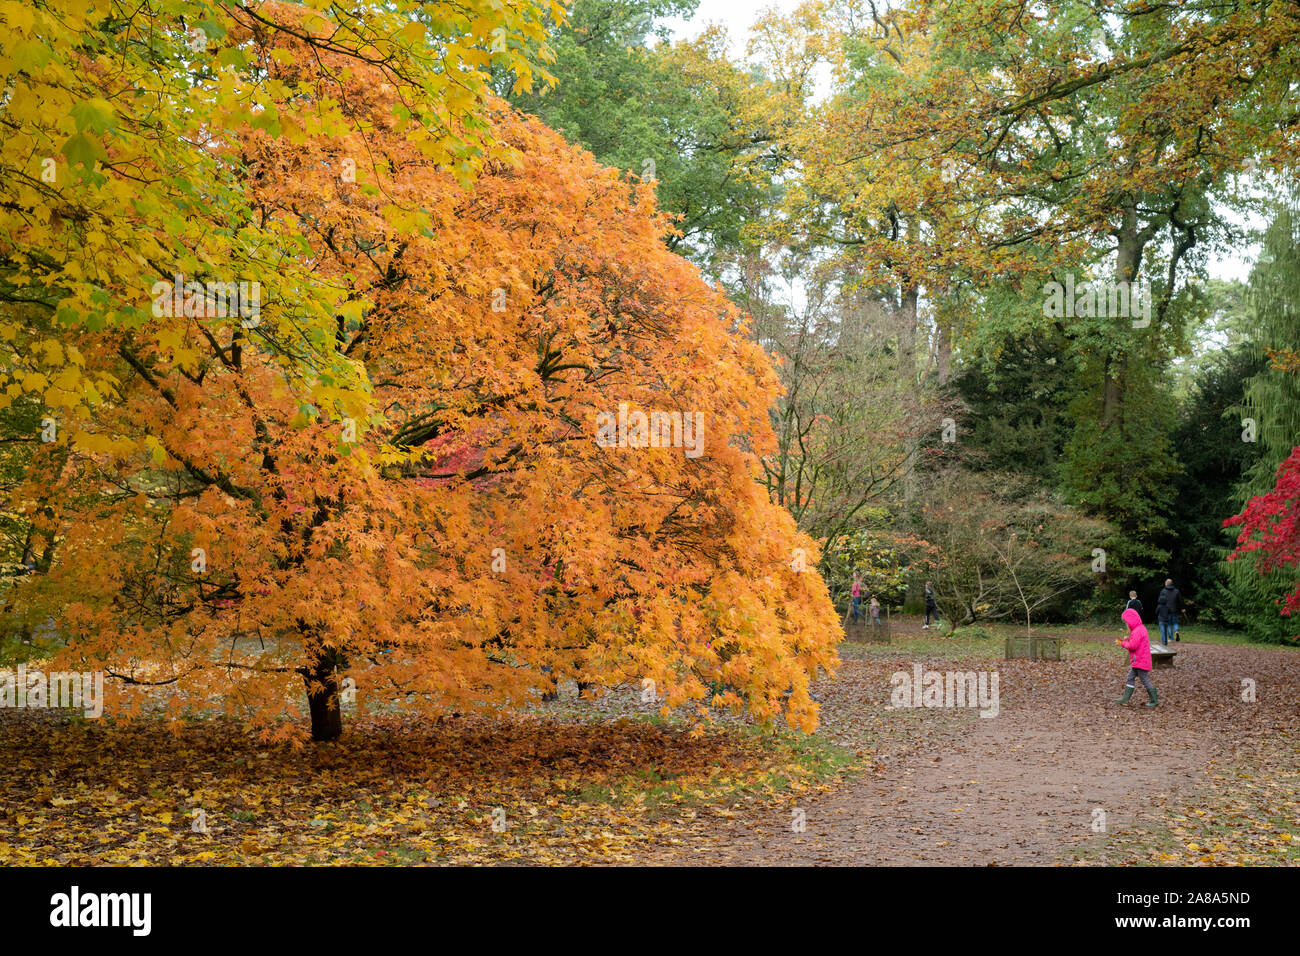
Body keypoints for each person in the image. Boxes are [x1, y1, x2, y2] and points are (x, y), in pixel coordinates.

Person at [1114, 607, 1157, 707]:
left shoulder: (1138, 631)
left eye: (1126, 623)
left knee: (1144, 680)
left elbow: (1133, 646)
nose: (1126, 625)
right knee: (1130, 677)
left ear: (1131, 621)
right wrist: (1127, 639)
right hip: (1138, 661)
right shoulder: (1139, 629)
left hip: (1140, 661)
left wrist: (1122, 643)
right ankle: (1125, 699)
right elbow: (1135, 642)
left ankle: (1154, 700)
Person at [1156, 578, 1182, 645]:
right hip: (1175, 610)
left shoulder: (1163, 591)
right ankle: (1176, 631)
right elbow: (1180, 601)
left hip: (1166, 610)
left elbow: (1160, 600)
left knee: (1169, 624)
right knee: (1175, 622)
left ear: (1166, 584)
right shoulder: (1177, 591)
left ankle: (1171, 638)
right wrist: (1182, 608)